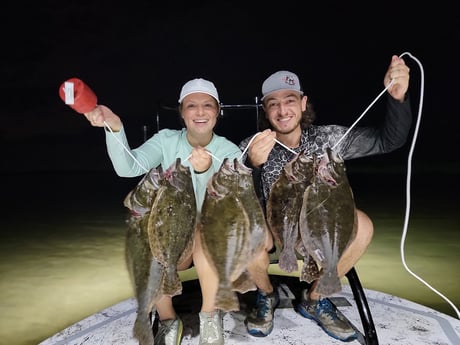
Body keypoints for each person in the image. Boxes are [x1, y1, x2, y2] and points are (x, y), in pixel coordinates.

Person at [239, 55, 412, 342]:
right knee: (245, 228)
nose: (283, 110)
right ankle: (266, 295)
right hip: (275, 235)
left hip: (321, 235)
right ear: (265, 110)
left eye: (290, 100)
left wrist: (397, 98)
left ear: (303, 103)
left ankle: (315, 298)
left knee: (364, 224)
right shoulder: (253, 145)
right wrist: (252, 166)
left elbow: (388, 140)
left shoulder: (329, 139)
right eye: (274, 103)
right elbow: (237, 200)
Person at [84, 78, 242, 345]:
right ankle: (168, 320)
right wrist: (114, 127)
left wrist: (204, 173)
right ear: (182, 112)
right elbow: (129, 167)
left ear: (218, 111)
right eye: (192, 105)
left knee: (208, 234)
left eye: (207, 105)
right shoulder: (167, 140)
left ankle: (209, 315)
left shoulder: (229, 151)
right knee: (148, 244)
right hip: (173, 235)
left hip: (211, 237)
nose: (200, 112)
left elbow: (233, 204)